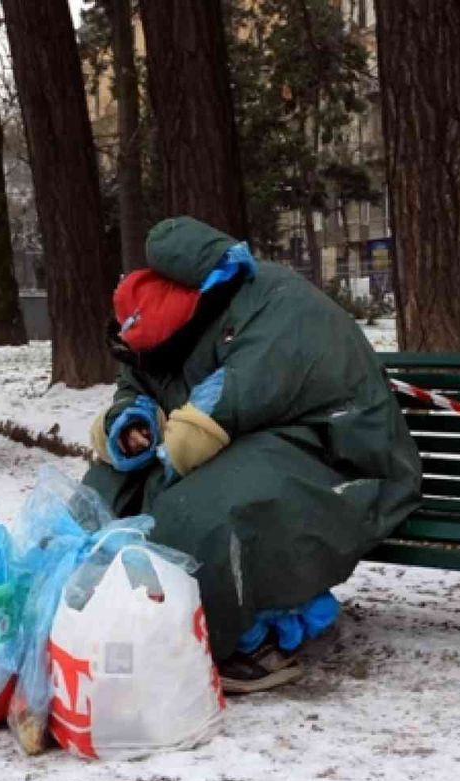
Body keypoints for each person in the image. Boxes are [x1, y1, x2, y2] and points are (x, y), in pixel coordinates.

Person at [83, 217, 422, 693]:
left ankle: (226, 641)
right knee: (107, 486)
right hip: (263, 442)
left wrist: (186, 438)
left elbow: (236, 397)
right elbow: (139, 384)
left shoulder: (276, 303)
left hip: (338, 453)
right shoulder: (171, 321)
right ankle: (84, 620)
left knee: (200, 510)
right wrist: (131, 422)